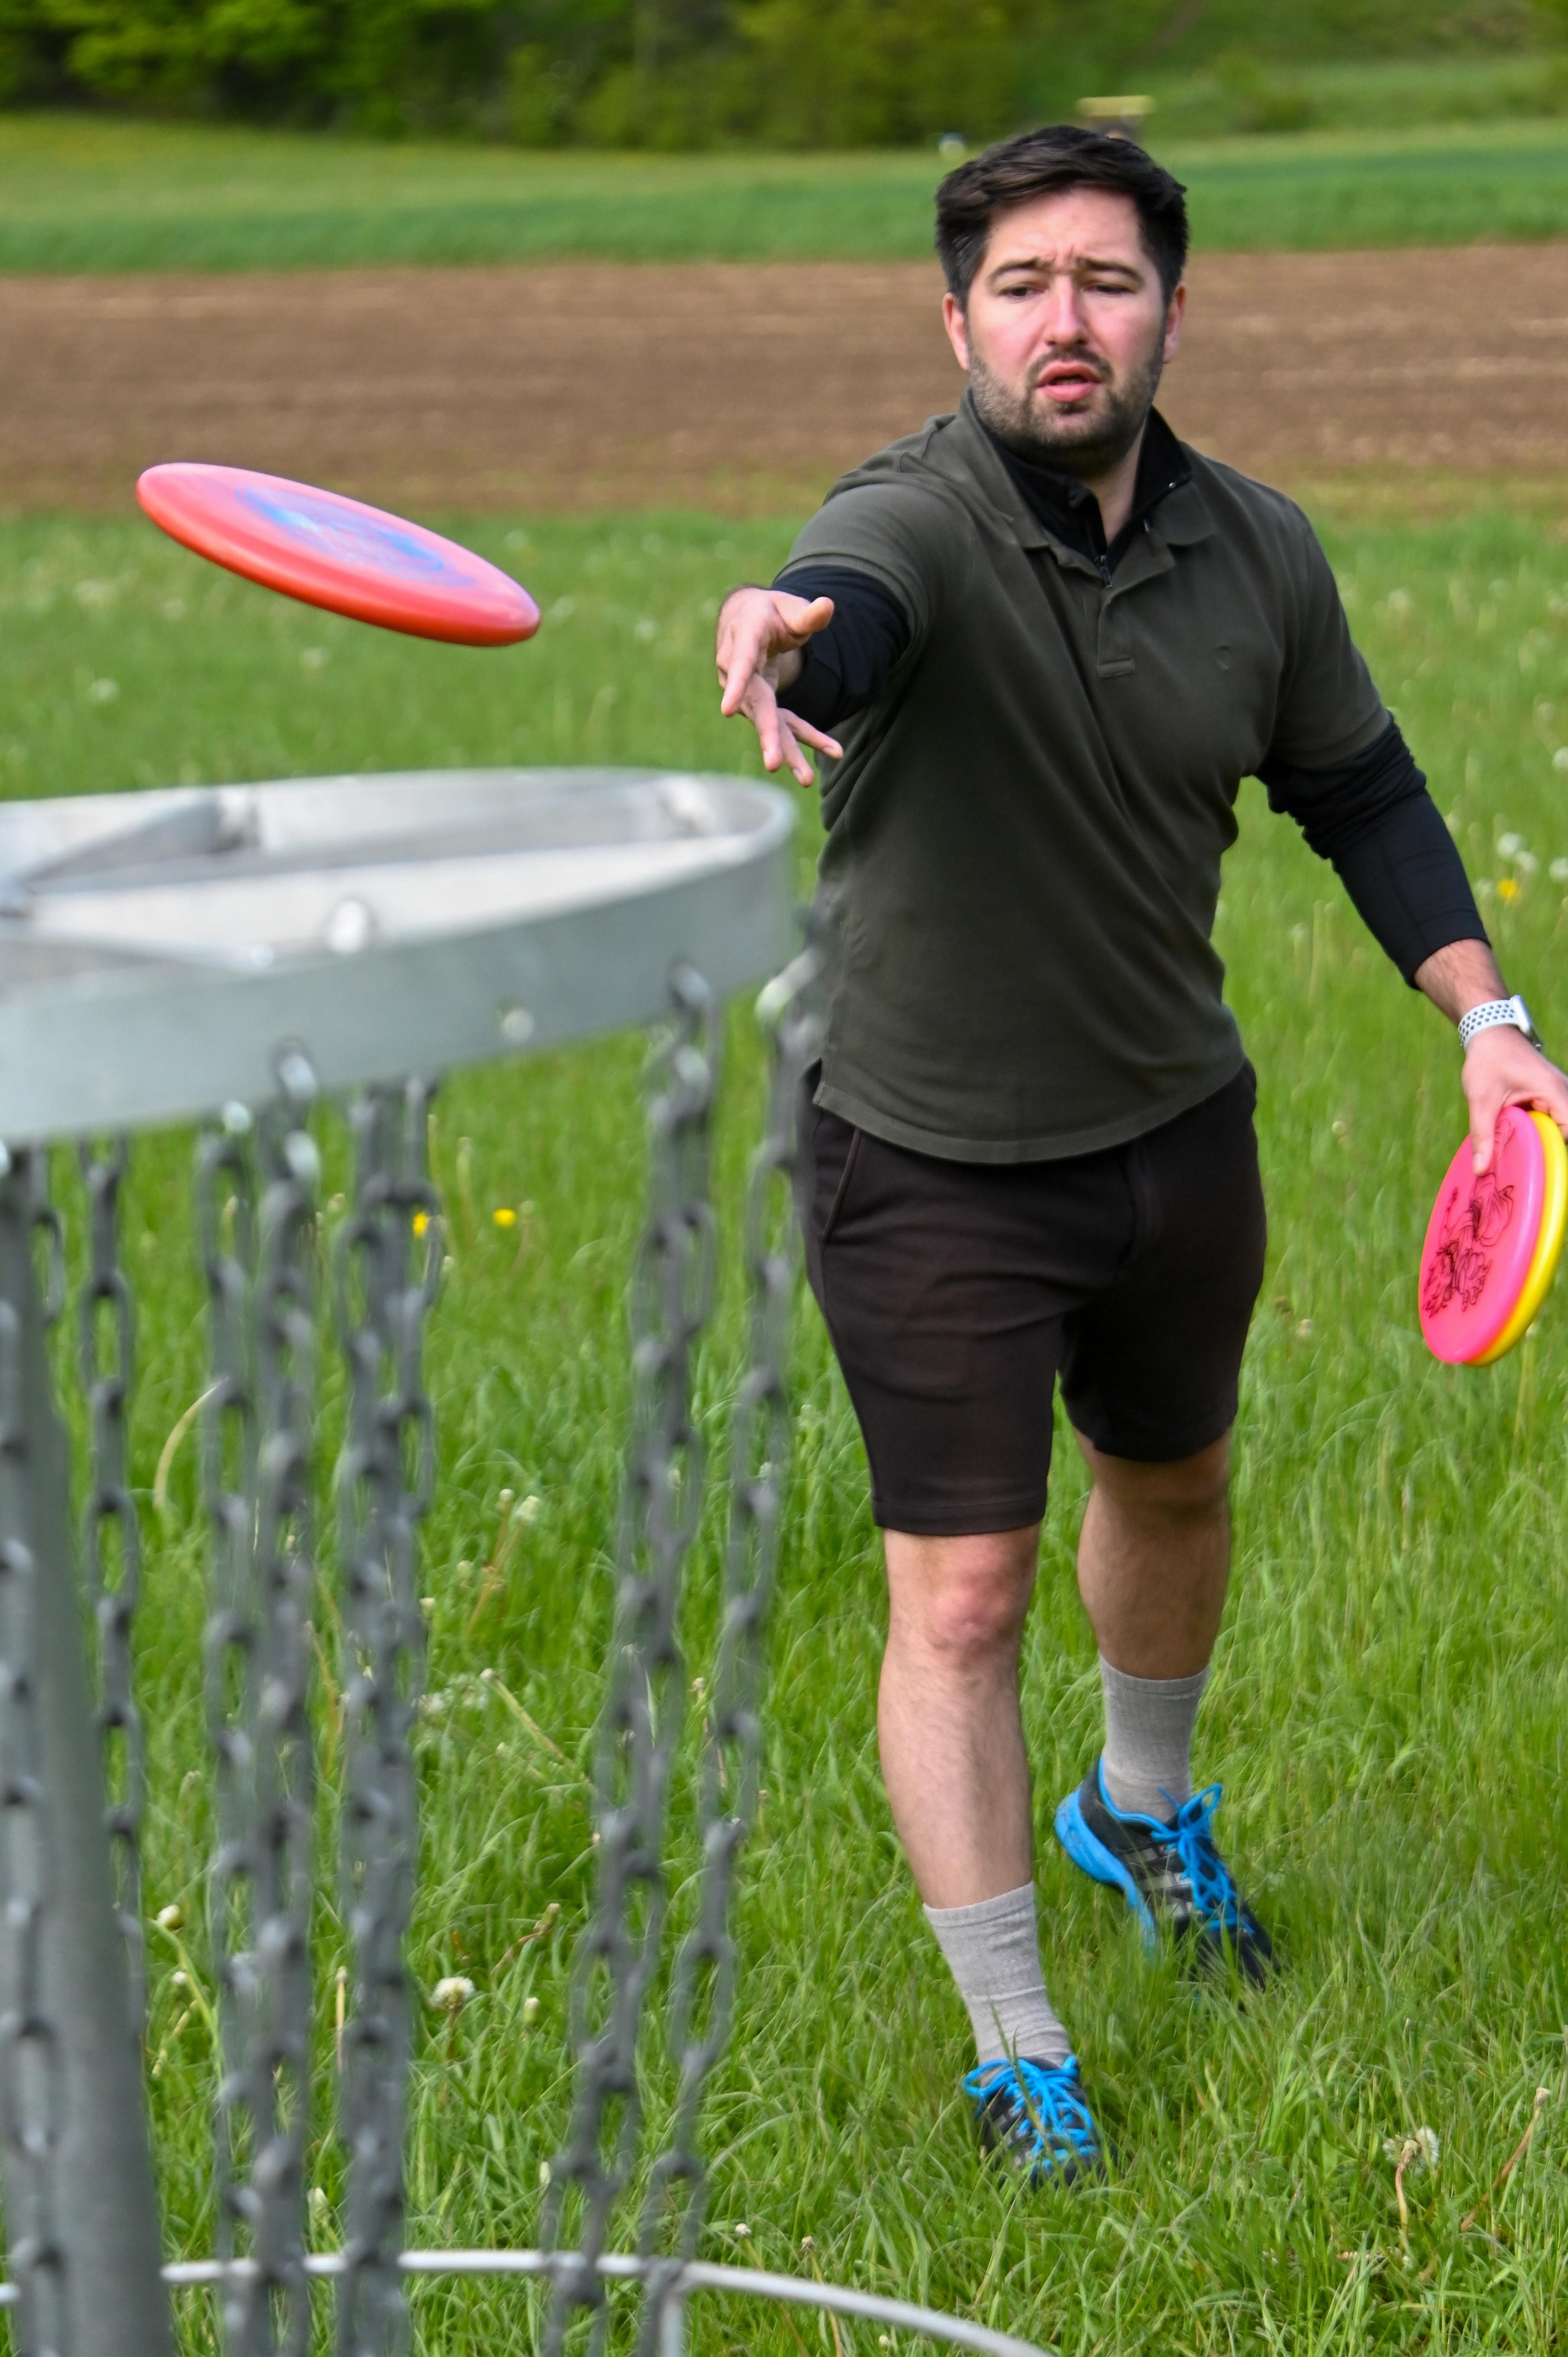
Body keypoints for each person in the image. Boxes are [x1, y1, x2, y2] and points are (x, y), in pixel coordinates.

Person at [712, 123, 1568, 2188]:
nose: (1065, 320)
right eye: (1020, 286)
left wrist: (1488, 1024)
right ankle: (1017, 2036)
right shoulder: (909, 519)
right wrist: (786, 625)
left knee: (1173, 1480)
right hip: (924, 1149)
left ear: (1172, 307)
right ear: (958, 323)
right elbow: (851, 607)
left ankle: (1139, 1809)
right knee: (963, 1590)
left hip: (1174, 1126)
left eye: (1104, 279)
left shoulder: (1255, 550)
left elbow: (1362, 791)